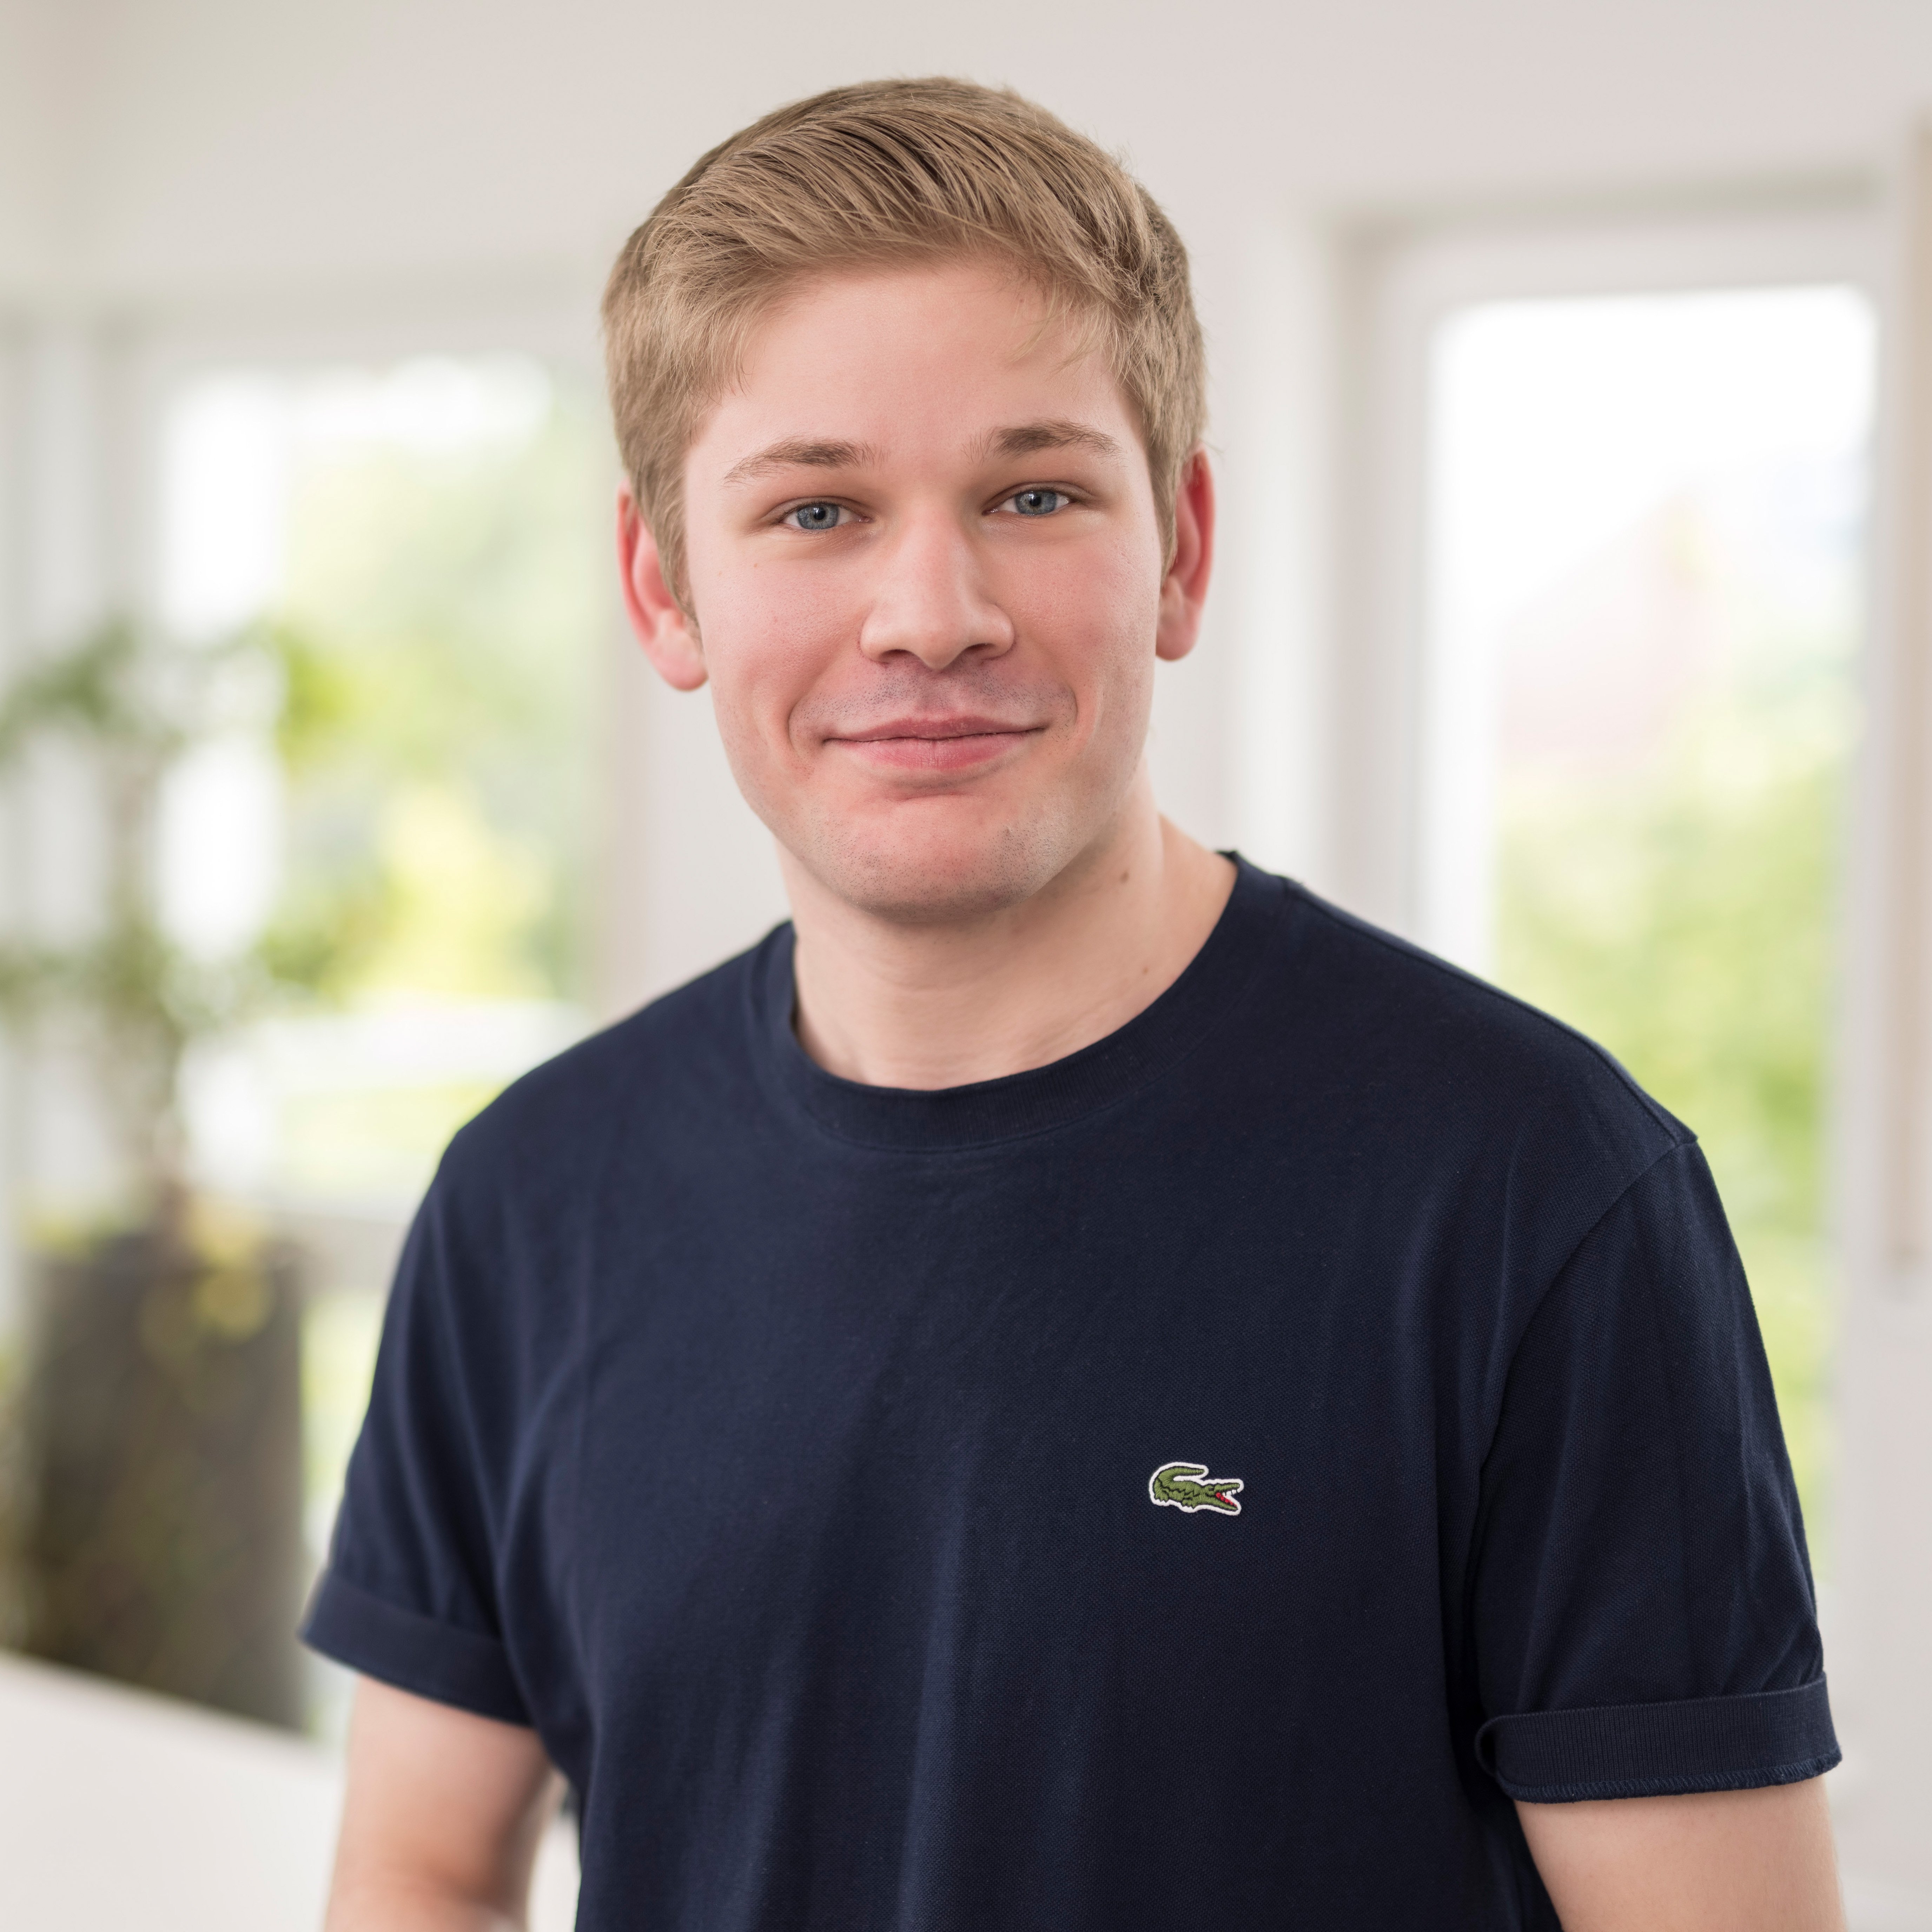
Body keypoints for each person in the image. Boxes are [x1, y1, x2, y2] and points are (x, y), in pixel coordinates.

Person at [305, 78, 1846, 1932]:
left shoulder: (1539, 1197)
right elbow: (417, 1869)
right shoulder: (527, 1201)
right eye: (816, 510)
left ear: (1182, 548)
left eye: (1034, 493)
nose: (932, 610)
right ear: (665, 586)